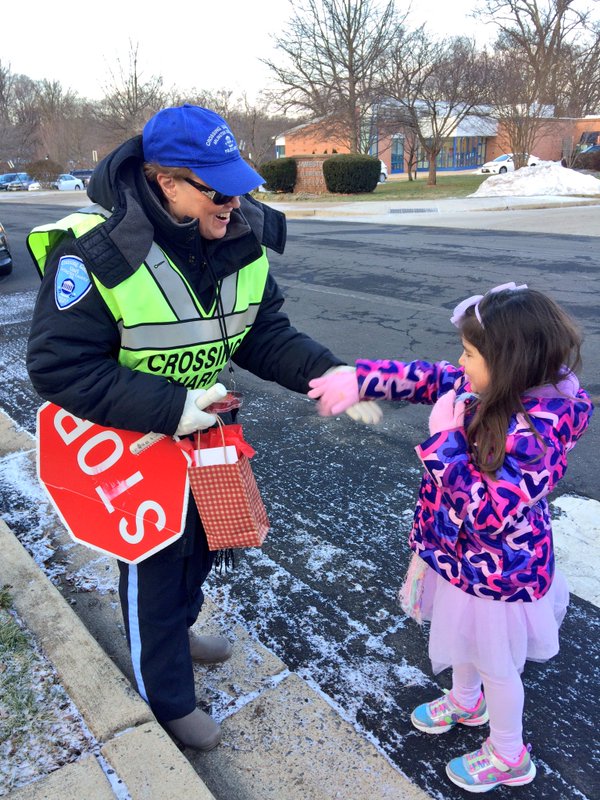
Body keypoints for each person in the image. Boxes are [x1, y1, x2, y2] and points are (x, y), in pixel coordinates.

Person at [26, 104, 381, 752]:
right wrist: (168, 409)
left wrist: (329, 373)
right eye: (218, 191)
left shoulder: (238, 238)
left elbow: (263, 333)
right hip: (133, 441)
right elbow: (58, 365)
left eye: (241, 186)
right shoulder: (97, 254)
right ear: (165, 183)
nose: (234, 204)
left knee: (207, 545)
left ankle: (179, 630)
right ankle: (165, 699)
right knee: (155, 566)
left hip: (208, 435)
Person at [307, 283, 593, 793]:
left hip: (499, 575)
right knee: (464, 641)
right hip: (459, 561)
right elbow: (431, 377)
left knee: (498, 665)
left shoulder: (539, 431)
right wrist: (362, 379)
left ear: (507, 363)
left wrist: (444, 442)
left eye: (469, 353)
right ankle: (466, 699)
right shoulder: (482, 386)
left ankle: (509, 753)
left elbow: (489, 513)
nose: (459, 363)